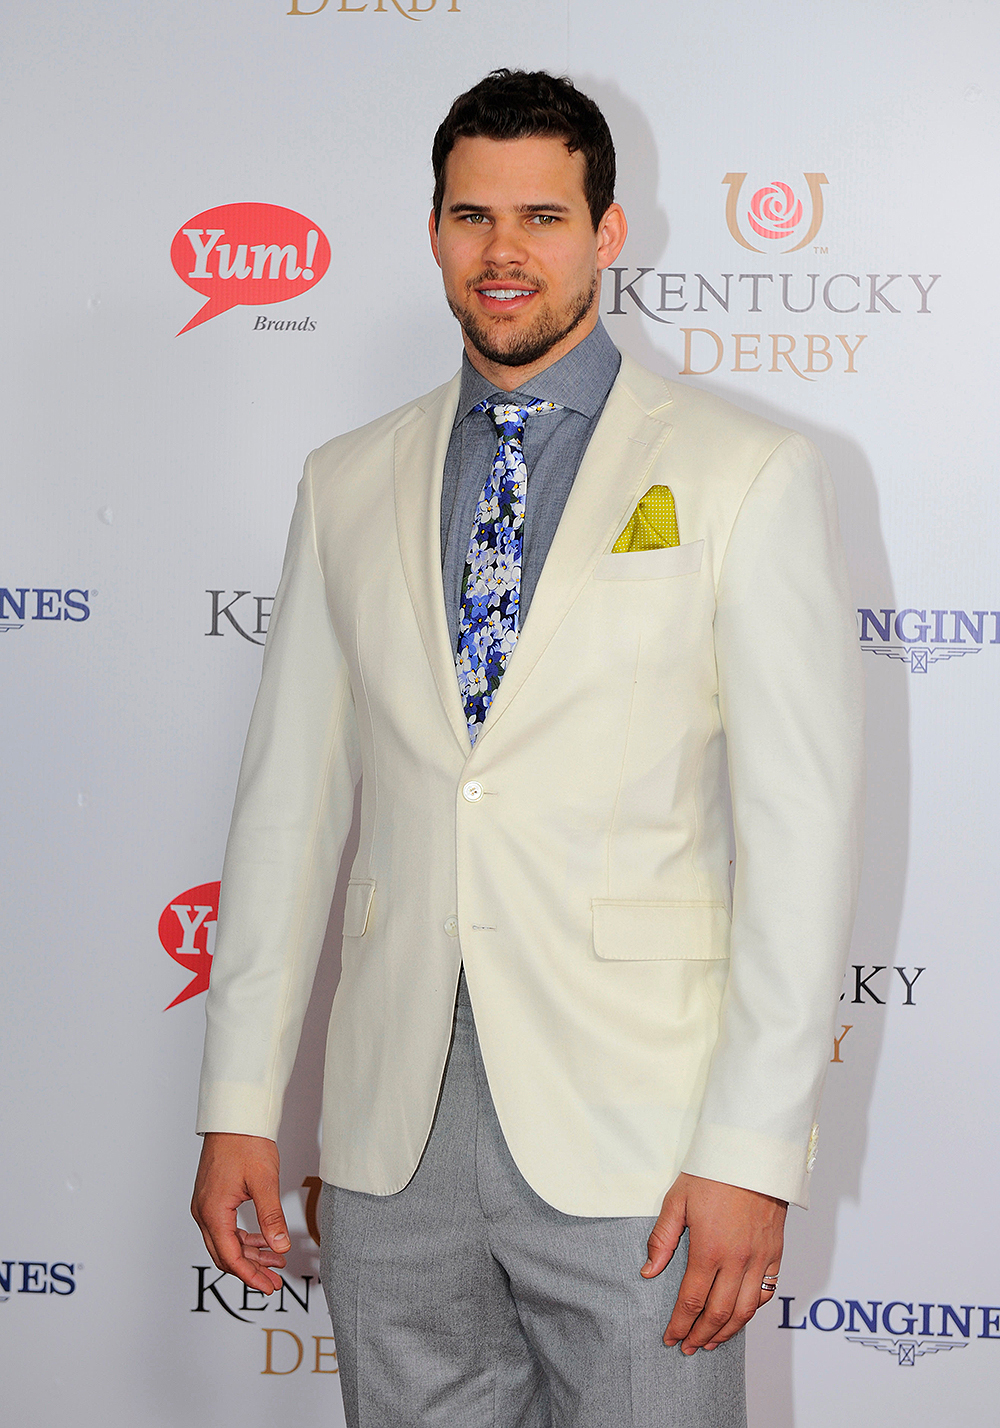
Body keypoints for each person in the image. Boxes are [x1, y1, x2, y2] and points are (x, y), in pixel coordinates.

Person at [192, 69, 864, 1427]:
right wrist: (240, 1101)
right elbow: (286, 813)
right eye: (472, 215)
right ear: (434, 231)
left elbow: (802, 832)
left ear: (609, 235)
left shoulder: (750, 473)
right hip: (391, 1145)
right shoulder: (345, 480)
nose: (507, 252)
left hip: (645, 1140)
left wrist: (751, 1153)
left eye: (544, 216)